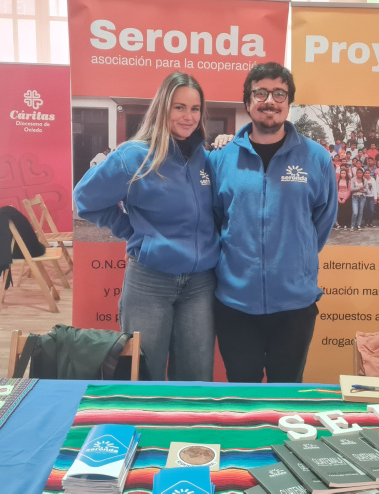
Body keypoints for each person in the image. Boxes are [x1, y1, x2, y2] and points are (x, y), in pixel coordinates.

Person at [74, 72, 218, 382]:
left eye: (195, 109)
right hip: (150, 282)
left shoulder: (206, 159)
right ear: (163, 107)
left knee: (196, 379)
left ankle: (189, 430)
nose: (188, 117)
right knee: (143, 376)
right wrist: (132, 230)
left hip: (200, 286)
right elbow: (85, 199)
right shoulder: (134, 156)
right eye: (179, 107)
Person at [209, 62, 338, 383]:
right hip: (235, 305)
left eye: (279, 93)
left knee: (286, 394)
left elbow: (322, 221)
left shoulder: (317, 158)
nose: (270, 101)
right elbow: (214, 219)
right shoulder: (221, 158)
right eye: (261, 93)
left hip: (294, 305)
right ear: (247, 102)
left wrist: (295, 257)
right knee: (243, 394)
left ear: (289, 103)